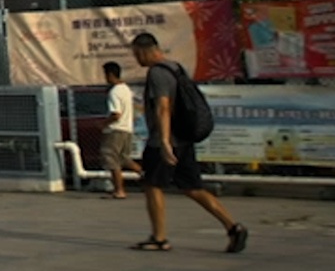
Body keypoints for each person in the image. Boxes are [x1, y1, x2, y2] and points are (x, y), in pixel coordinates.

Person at [128, 32, 247, 253]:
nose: (137, 60)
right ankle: (233, 226)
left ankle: (159, 238)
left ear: (145, 51)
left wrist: (163, 141)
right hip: (184, 139)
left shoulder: (156, 73)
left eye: (137, 54)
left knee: (152, 185)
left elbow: (163, 107)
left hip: (165, 140)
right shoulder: (176, 68)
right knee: (193, 187)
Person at [100, 60, 140, 200]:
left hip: (115, 130)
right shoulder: (126, 89)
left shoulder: (114, 92)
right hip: (127, 129)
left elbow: (116, 114)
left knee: (112, 160)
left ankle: (119, 190)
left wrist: (103, 124)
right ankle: (147, 176)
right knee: (124, 159)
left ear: (110, 75)